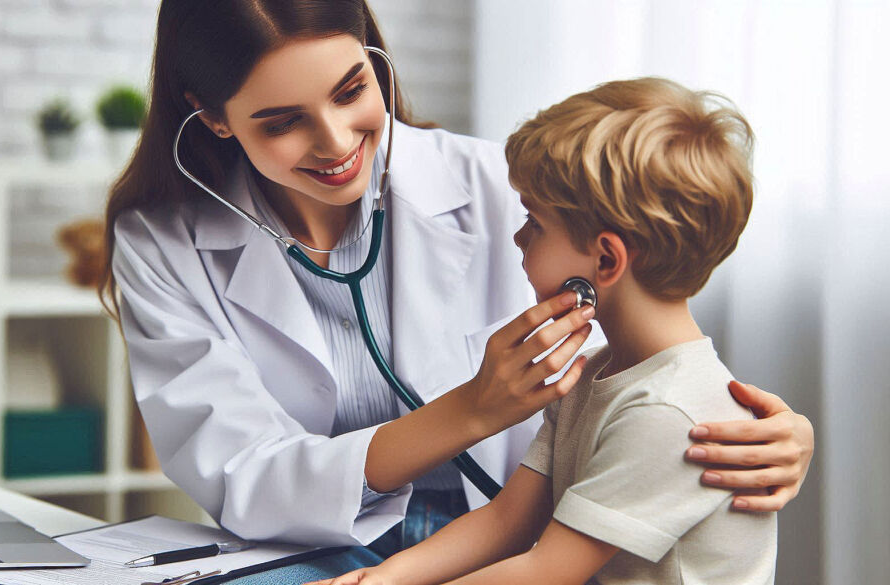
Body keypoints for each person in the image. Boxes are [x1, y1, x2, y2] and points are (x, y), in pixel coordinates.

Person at [100, 0, 813, 580]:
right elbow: (241, 471)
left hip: (500, 539)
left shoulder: (505, 188)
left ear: (375, 59)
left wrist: (773, 433)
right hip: (302, 540)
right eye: (283, 122)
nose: (336, 140)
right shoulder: (160, 239)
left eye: (352, 90)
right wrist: (470, 410)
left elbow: (649, 372)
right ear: (215, 115)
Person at [313, 77, 777, 585]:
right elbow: (507, 522)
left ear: (605, 259)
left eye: (534, 222)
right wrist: (382, 579)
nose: (517, 235)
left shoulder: (666, 412)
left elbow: (547, 570)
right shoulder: (593, 377)